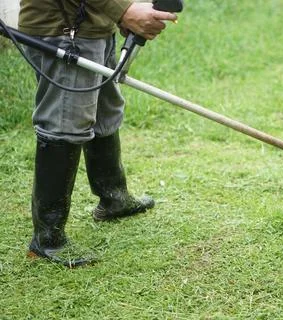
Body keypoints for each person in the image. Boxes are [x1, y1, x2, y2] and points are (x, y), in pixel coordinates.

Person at [18, 0, 177, 267]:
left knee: (105, 111)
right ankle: (47, 240)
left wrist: (121, 13)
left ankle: (114, 198)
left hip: (91, 25)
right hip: (64, 28)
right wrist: (123, 10)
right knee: (66, 122)